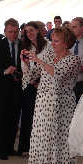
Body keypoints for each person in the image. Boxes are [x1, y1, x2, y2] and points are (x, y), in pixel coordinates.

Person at [25, 27, 80, 164]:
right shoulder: (47, 56)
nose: (52, 43)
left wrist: (38, 61)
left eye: (56, 41)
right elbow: (32, 76)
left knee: (63, 141)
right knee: (43, 141)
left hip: (63, 105)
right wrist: (26, 62)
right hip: (44, 104)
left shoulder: (73, 59)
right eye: (52, 40)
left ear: (66, 43)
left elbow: (56, 74)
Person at [0, 18, 23, 160]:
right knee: (2, 118)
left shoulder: (22, 45)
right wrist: (4, 71)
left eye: (15, 32)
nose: (13, 35)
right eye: (10, 32)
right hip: (3, 88)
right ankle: (1, 149)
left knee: (14, 119)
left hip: (18, 87)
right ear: (4, 32)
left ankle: (9, 147)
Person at [18, 21, 50, 156]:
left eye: (31, 30)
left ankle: (43, 147)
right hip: (29, 84)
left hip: (45, 83)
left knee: (43, 116)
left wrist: (40, 80)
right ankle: (25, 147)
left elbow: (51, 64)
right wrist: (25, 63)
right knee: (27, 116)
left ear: (38, 30)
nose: (29, 33)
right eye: (26, 31)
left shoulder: (48, 45)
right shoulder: (26, 47)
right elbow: (25, 70)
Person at [69, 17, 83, 102]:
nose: (71, 29)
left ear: (82, 28)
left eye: (74, 27)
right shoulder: (66, 44)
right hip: (67, 85)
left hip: (82, 85)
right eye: (71, 27)